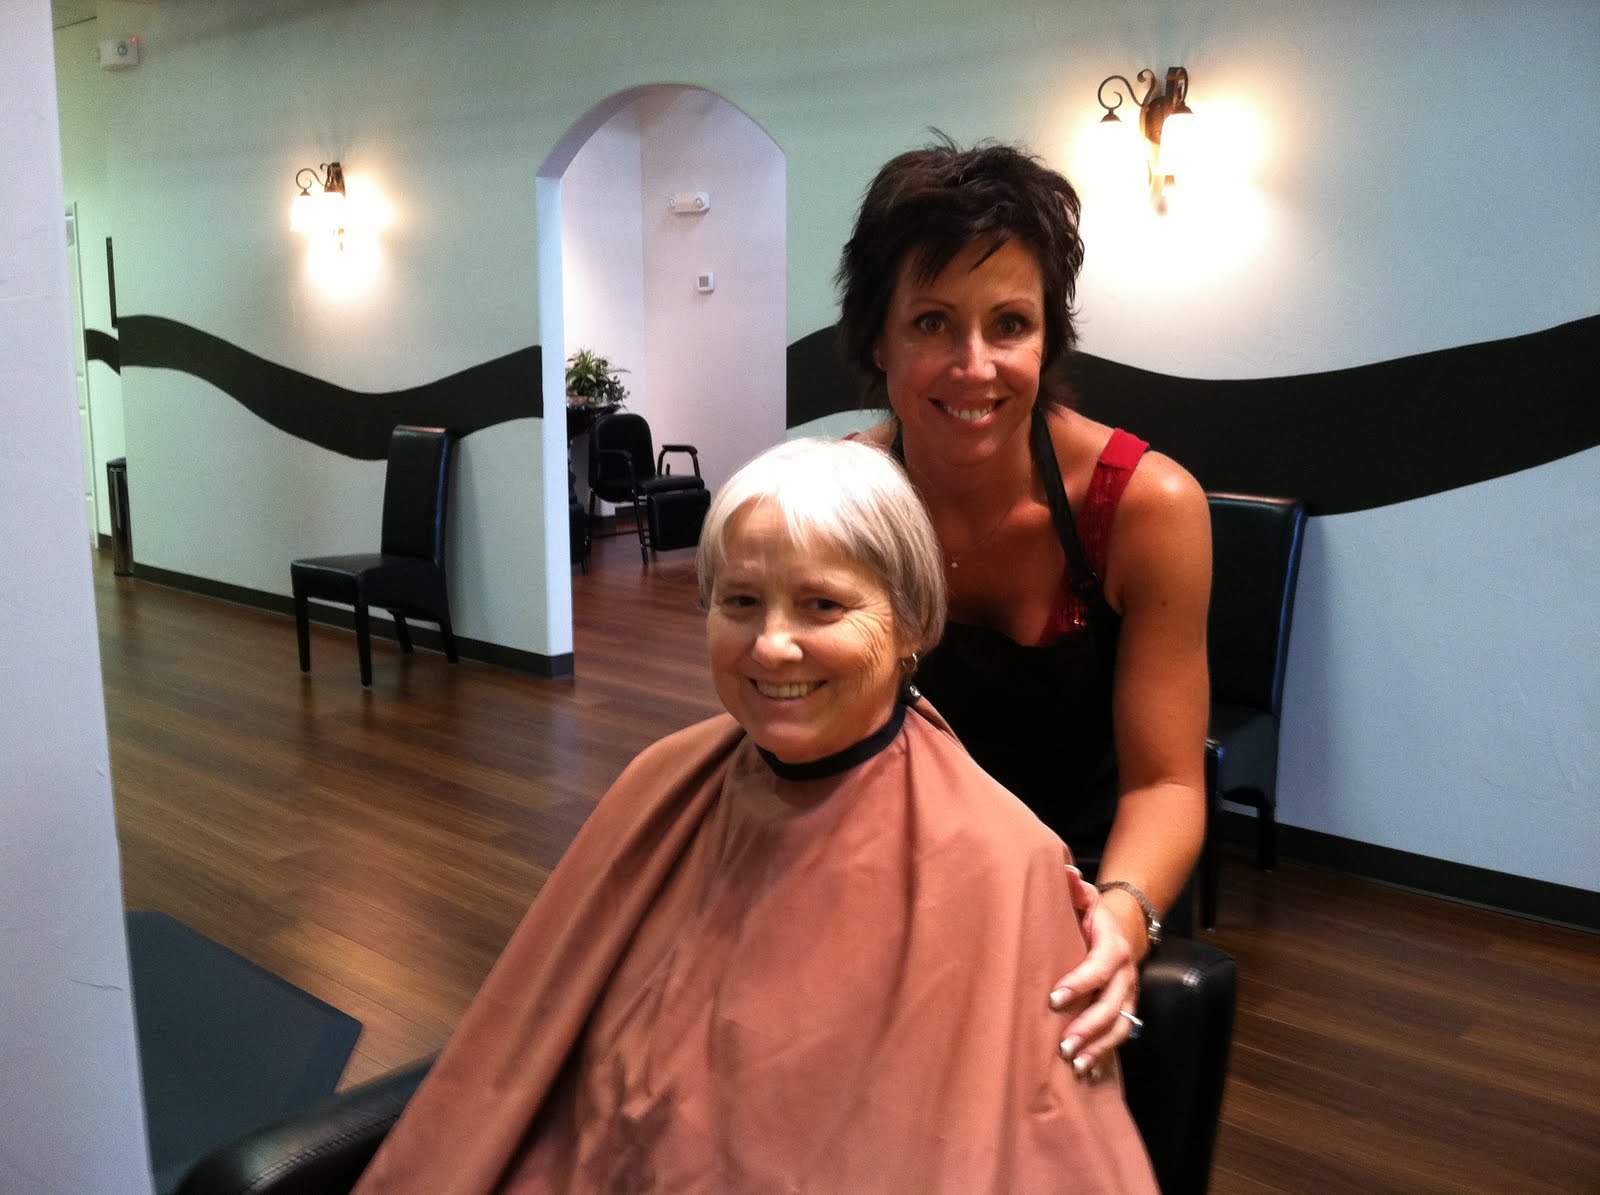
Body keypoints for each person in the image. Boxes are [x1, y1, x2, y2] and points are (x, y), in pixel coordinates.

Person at [354, 438, 1156, 1192]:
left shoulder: (999, 855)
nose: (772, 645)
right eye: (740, 600)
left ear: (913, 622)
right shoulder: (662, 782)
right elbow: (520, 1050)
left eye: (822, 605)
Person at [837, 138, 1212, 1080]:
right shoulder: (843, 498)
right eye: (931, 322)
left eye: (1009, 324)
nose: (975, 366)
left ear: (1048, 340)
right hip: (887, 889)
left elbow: (1165, 784)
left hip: (1071, 897)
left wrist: (1119, 919)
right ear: (878, 340)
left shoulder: (1145, 506)